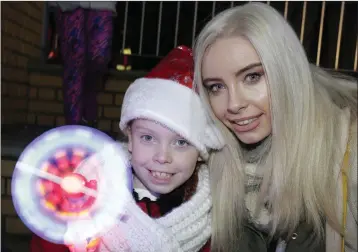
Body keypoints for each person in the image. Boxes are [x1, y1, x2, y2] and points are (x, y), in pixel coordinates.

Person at [192, 2, 357, 252]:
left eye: (253, 77)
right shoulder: (209, 157)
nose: (233, 104)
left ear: (286, 72)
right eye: (216, 87)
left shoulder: (348, 152)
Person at [30, 46, 224, 252]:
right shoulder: (89, 194)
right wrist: (65, 223)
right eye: (148, 138)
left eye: (181, 142)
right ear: (130, 138)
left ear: (201, 151)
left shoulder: (209, 214)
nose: (162, 156)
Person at [50, 2, 116, 126]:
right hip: (69, 7)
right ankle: (74, 127)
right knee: (74, 65)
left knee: (99, 57)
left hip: (102, 6)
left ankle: (87, 106)